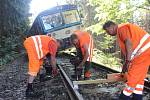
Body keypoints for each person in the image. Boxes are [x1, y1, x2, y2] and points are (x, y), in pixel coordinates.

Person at [103, 21, 150, 100]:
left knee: (132, 77)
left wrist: (127, 61)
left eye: (108, 31)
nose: (108, 33)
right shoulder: (123, 28)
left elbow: (128, 42)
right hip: (145, 52)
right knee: (139, 79)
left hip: (143, 53)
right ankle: (137, 97)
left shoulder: (121, 28)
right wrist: (127, 62)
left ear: (112, 26)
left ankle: (124, 96)